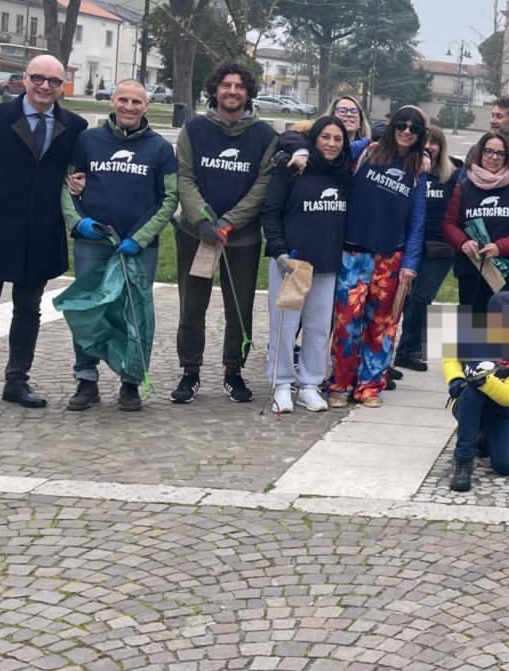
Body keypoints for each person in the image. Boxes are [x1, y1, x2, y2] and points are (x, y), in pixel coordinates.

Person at [0, 54, 86, 416]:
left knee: (29, 309)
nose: (45, 86)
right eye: (38, 78)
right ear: (24, 79)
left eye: (54, 81)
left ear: (62, 87)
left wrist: (79, 183)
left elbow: (78, 173)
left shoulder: (75, 126)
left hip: (41, 230)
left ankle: (17, 380)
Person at [60, 79, 176, 412]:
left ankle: (130, 381)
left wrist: (140, 238)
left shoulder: (160, 148)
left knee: (134, 312)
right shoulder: (88, 140)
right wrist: (76, 221)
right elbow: (67, 185)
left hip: (138, 246)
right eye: (122, 100)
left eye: (136, 102)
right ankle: (86, 379)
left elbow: (168, 199)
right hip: (93, 242)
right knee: (88, 308)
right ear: (112, 101)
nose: (128, 107)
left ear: (146, 106)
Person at [171, 61, 280, 405]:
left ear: (248, 94)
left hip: (241, 237)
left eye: (239, 87)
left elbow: (264, 183)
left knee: (240, 307)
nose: (232, 91)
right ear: (215, 90)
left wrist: (229, 221)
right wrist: (203, 220)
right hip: (196, 233)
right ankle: (190, 371)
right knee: (192, 305)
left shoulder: (264, 135)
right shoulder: (193, 129)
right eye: (226, 85)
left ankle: (234, 371)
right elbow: (184, 176)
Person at [328, 105, 428, 407]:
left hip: (391, 257)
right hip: (354, 252)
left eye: (414, 128)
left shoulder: (418, 169)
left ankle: (370, 386)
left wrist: (410, 264)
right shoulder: (366, 151)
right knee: (347, 324)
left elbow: (417, 221)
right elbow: (330, 144)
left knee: (382, 326)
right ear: (392, 126)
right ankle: (341, 384)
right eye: (401, 125)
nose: (407, 132)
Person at [261, 114, 351, 414]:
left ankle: (310, 384)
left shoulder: (344, 175)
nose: (332, 143)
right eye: (326, 137)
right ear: (314, 139)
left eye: (338, 138)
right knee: (284, 326)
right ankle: (282, 383)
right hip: (292, 263)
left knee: (318, 327)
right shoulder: (292, 168)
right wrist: (279, 251)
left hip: (326, 262)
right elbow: (271, 211)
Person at [443, 290, 509, 492]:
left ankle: (483, 435)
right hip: (468, 402)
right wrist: (456, 380)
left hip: (501, 408)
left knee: (507, 466)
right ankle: (463, 460)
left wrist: (485, 382)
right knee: (473, 392)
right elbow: (450, 357)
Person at [442, 133, 509, 313]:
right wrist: (463, 243)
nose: (494, 157)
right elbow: (449, 224)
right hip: (471, 269)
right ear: (480, 153)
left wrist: (500, 247)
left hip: (506, 270)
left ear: (507, 157)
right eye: (488, 151)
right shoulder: (464, 186)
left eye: (500, 153)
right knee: (471, 329)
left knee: (505, 330)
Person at [394, 126, 461, 372]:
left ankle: (409, 350)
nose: (430, 147)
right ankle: (404, 348)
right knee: (404, 299)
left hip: (441, 248)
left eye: (436, 143)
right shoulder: (410, 171)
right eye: (426, 142)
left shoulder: (453, 174)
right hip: (410, 245)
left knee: (422, 297)